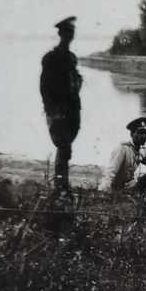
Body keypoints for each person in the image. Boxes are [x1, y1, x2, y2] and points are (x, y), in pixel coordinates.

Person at [40, 16, 83, 195]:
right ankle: (60, 187)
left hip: (73, 110)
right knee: (63, 147)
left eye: (71, 32)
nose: (69, 35)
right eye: (66, 32)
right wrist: (51, 111)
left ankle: (62, 185)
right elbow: (44, 87)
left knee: (66, 148)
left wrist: (78, 82)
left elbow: (74, 84)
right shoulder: (50, 58)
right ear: (60, 34)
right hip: (58, 111)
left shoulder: (72, 58)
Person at [98, 117, 146, 200]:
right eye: (140, 133)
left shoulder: (142, 150)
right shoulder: (122, 149)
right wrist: (102, 192)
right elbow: (110, 172)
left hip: (132, 186)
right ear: (132, 134)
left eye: (145, 133)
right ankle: (137, 196)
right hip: (119, 187)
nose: (143, 136)